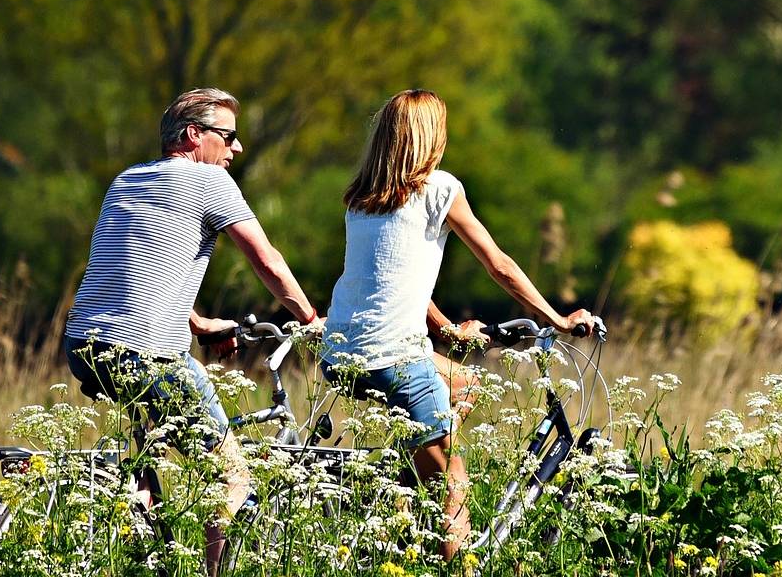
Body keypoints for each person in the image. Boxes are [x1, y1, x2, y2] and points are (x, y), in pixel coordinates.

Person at [322, 88, 597, 560]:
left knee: (462, 381)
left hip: (340, 350)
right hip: (394, 356)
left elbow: (392, 277)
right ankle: (454, 557)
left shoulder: (361, 199)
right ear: (432, 138)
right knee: (455, 485)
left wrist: (446, 331)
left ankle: (408, 491)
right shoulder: (441, 189)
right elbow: (499, 265)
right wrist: (558, 318)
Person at [62, 87, 319, 576]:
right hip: (145, 352)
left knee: (143, 470)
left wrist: (200, 323)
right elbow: (266, 260)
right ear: (192, 136)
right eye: (228, 137)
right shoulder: (208, 182)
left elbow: (136, 270)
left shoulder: (126, 180)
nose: (236, 149)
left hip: (84, 344)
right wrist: (310, 318)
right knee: (232, 478)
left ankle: (145, 554)